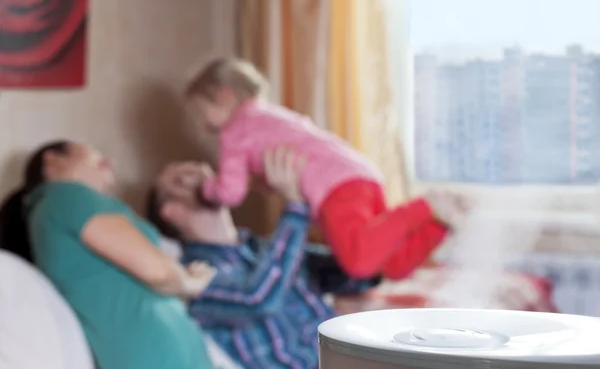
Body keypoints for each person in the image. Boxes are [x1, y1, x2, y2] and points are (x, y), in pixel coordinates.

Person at [178, 57, 467, 280]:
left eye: (203, 115)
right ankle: (438, 222)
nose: (206, 128)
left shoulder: (233, 131)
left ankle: (425, 207)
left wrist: (205, 187)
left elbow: (231, 193)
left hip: (332, 186)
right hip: (358, 173)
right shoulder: (265, 116)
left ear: (224, 95)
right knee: (390, 264)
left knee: (358, 260)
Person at [146, 148, 376, 369]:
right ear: (170, 211)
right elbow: (259, 298)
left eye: (199, 168)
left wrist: (364, 240)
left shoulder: (269, 248)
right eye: (179, 180)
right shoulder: (192, 276)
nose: (196, 171)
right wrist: (295, 205)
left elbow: (356, 275)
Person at [0, 140, 216, 369]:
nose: (109, 162)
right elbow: (158, 272)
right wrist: (191, 282)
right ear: (52, 160)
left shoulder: (53, 211)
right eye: (96, 156)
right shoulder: (64, 196)